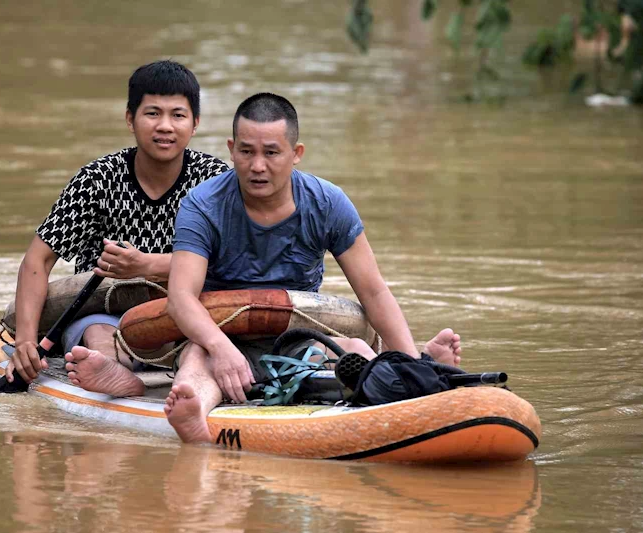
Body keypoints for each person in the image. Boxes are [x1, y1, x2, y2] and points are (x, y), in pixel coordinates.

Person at [163, 93, 462, 443]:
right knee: (196, 360)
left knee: (356, 351)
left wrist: (410, 364)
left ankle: (419, 370)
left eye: (271, 153)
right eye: (246, 152)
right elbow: (181, 297)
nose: (257, 166)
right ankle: (193, 413)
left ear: (296, 154)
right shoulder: (202, 205)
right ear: (231, 149)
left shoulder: (328, 203)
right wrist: (221, 348)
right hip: (221, 336)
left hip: (298, 337)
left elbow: (374, 291)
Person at [4, 60, 229, 397]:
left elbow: (235, 259)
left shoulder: (215, 181)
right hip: (104, 312)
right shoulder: (96, 180)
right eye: (152, 113)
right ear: (130, 119)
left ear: (195, 123)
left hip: (188, 311)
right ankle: (111, 372)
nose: (165, 126)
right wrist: (24, 342)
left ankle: (192, 383)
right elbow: (38, 260)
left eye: (178, 115)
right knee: (97, 336)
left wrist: (146, 265)